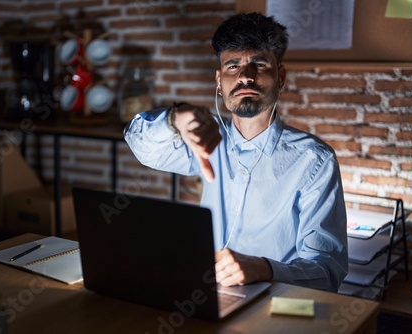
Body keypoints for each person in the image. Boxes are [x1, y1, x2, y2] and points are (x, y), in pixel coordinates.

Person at [124, 12, 347, 292]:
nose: (245, 76)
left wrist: (264, 268)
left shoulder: (315, 160)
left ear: (280, 77)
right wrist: (175, 118)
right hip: (205, 293)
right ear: (219, 81)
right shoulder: (205, 136)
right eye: (232, 65)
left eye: (259, 63)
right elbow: (141, 145)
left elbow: (326, 273)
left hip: (276, 303)